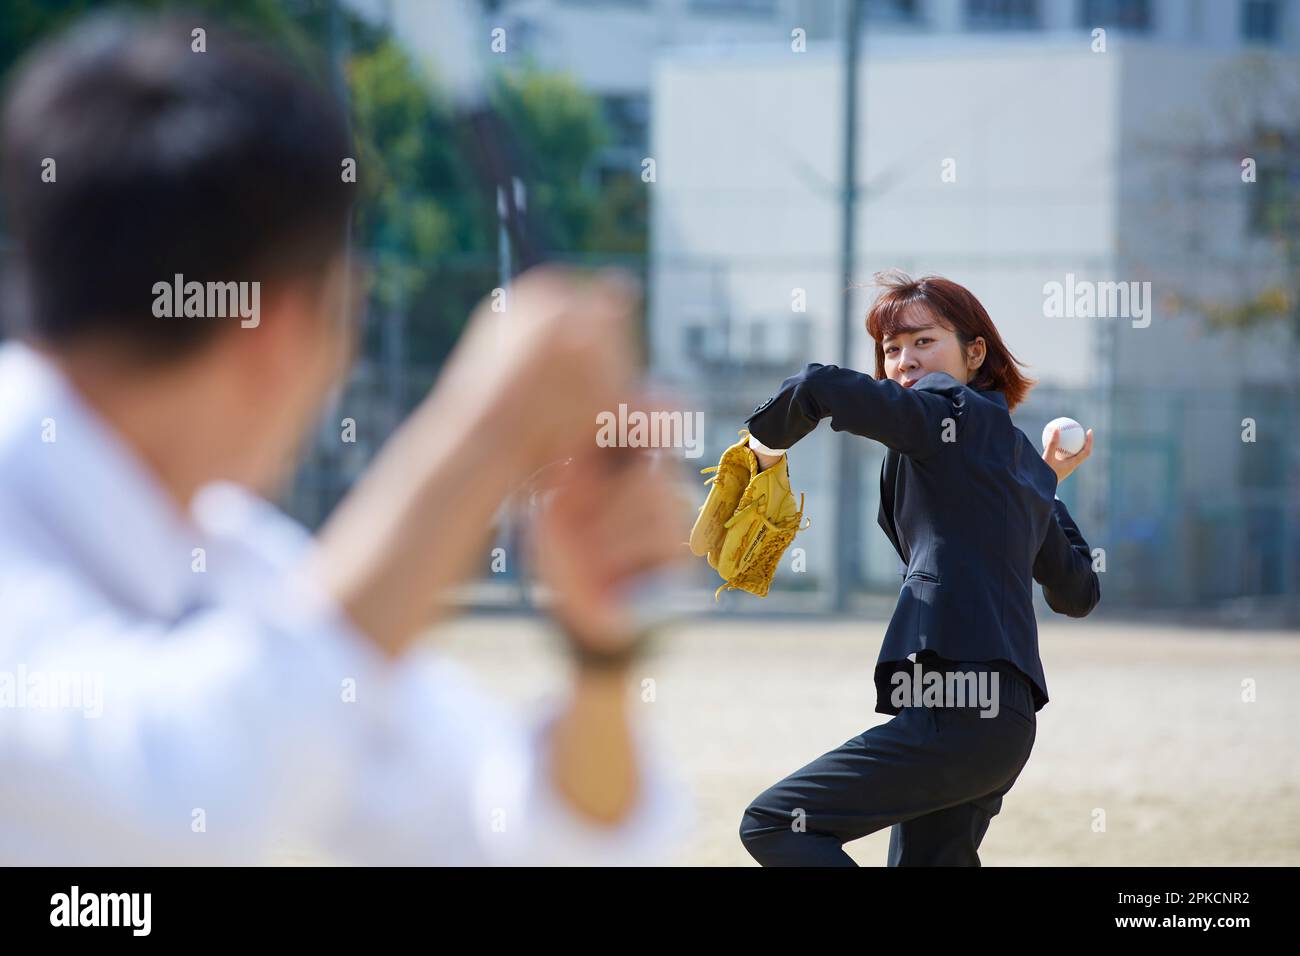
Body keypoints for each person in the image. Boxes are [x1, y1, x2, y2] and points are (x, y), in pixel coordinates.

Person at [0, 13, 689, 865]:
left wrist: (598, 656)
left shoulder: (223, 559)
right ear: (284, 329)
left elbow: (514, 836)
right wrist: (481, 436)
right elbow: (182, 785)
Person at [737, 269, 1100, 866]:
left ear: (975, 352)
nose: (904, 360)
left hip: (956, 710)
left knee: (777, 823)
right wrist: (1048, 483)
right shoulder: (1012, 459)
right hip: (999, 723)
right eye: (890, 348)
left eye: (924, 341)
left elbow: (818, 386)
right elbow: (1079, 592)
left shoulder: (947, 412)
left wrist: (761, 451)